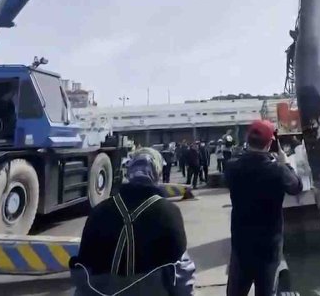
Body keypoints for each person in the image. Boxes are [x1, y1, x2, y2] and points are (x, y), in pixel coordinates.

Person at [70, 152, 196, 295]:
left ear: (129, 174)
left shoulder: (98, 212)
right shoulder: (169, 212)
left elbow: (82, 268)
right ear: (157, 173)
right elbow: (182, 273)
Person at [225, 120, 302, 296]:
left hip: (241, 244)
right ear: (270, 143)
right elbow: (296, 187)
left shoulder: (232, 167)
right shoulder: (277, 170)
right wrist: (285, 163)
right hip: (269, 247)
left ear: (247, 139)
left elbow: (237, 165)